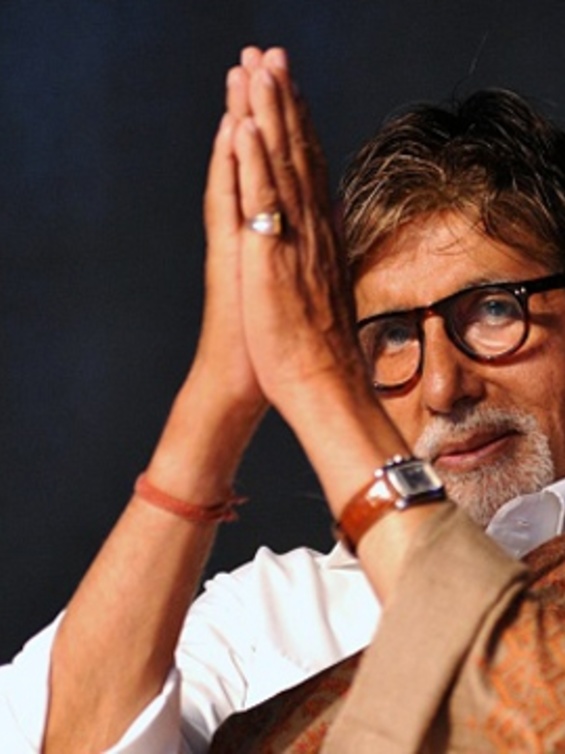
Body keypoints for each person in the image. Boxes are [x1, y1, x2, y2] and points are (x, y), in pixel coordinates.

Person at [2, 44, 565, 752]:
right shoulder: (267, 616)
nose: (443, 387)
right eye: (393, 335)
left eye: (492, 311)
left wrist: (317, 377)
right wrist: (219, 394)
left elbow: (523, 716)